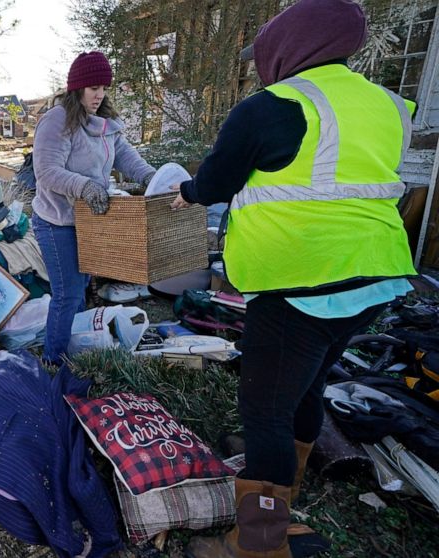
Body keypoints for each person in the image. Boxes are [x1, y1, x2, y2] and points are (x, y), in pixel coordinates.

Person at [172, 1, 417, 556]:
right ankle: (289, 480)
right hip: (372, 280)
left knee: (264, 415)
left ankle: (259, 541)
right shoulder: (387, 105)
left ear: (284, 51)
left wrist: (186, 191)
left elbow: (213, 184)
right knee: (306, 387)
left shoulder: (272, 106)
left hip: (301, 286)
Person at [31, 51, 157, 366]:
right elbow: (46, 171)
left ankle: (74, 349)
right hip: (56, 222)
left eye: (103, 87)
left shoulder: (105, 123)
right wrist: (85, 186)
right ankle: (53, 363)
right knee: (68, 294)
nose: (99, 95)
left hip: (90, 223)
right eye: (92, 88)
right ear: (77, 88)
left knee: (83, 289)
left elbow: (127, 158)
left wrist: (156, 179)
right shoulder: (58, 119)